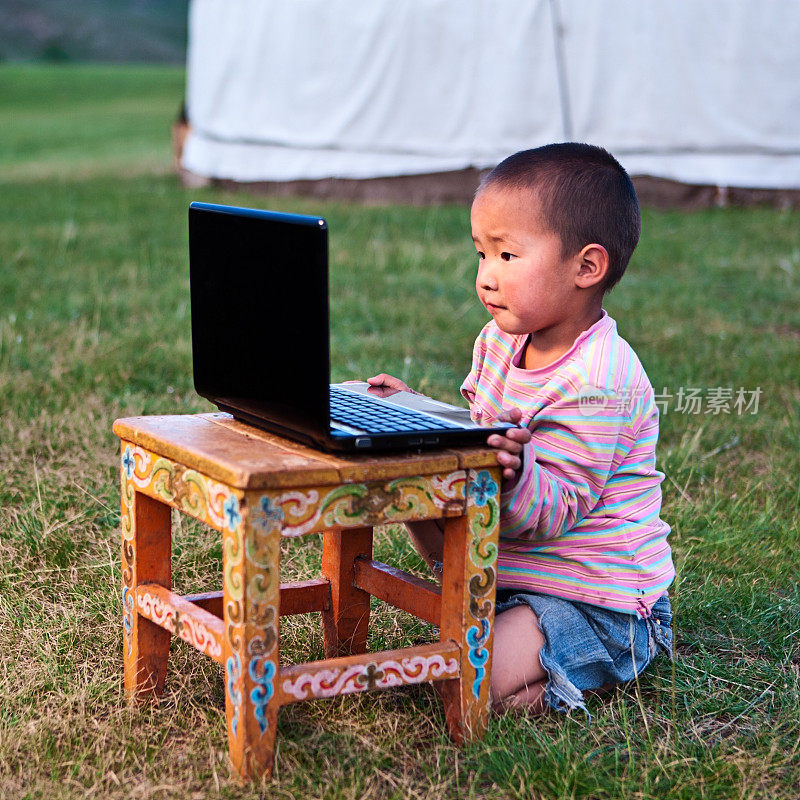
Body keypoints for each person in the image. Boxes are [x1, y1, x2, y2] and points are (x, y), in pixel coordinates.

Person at [367, 143, 674, 716]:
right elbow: (479, 432)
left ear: (586, 267)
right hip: (510, 569)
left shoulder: (598, 378)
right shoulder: (501, 339)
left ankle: (586, 668)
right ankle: (491, 615)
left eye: (507, 256)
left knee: (455, 684)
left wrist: (515, 473)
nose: (486, 277)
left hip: (593, 596)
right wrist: (415, 414)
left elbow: (557, 506)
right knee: (422, 483)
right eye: (481, 253)